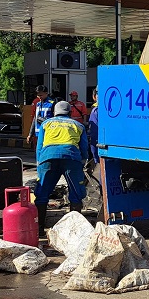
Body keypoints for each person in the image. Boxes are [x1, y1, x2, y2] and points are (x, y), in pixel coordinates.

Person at [33, 101, 86, 237]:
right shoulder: (78, 125)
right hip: (71, 157)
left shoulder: (46, 124)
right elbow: (84, 147)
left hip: (47, 157)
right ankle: (74, 232)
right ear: (70, 112)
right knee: (76, 192)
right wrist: (83, 161)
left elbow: (39, 147)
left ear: (55, 113)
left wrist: (40, 164)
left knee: (42, 192)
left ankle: (39, 229)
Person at [29, 85, 55, 158]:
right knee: (39, 152)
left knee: (46, 152)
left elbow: (55, 119)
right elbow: (35, 118)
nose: (39, 97)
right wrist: (30, 134)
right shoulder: (38, 104)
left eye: (41, 95)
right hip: (38, 133)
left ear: (46, 93)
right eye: (38, 95)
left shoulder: (52, 103)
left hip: (48, 133)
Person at [85, 87, 99, 173]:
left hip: (102, 148)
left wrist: (95, 157)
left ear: (94, 97)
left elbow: (94, 135)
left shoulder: (96, 111)